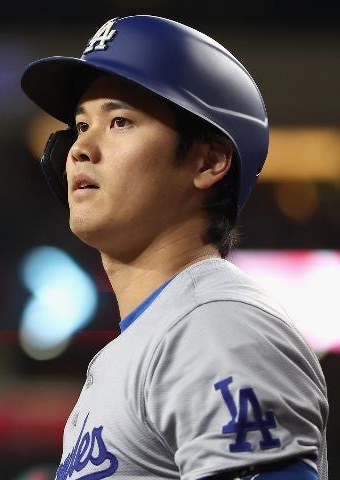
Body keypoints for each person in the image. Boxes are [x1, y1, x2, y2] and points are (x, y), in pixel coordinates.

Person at [21, 15, 327, 480]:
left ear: (208, 161)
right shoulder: (149, 340)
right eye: (81, 125)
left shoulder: (218, 327)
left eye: (120, 121)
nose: (80, 148)